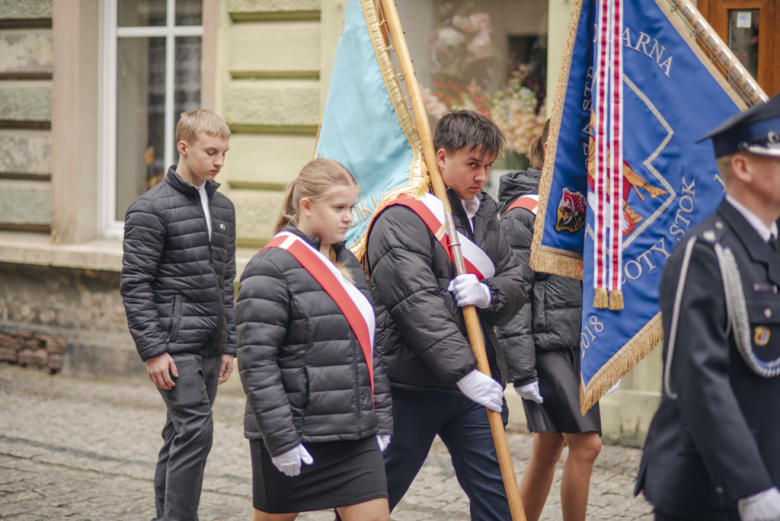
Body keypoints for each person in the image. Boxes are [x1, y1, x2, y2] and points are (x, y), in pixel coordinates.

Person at [366, 110, 527, 520]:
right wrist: (465, 372)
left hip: (470, 388)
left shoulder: (486, 213)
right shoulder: (402, 216)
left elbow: (515, 280)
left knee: (499, 497)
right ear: (441, 157)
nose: (482, 176)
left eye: (487, 166)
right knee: (372, 497)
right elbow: (416, 304)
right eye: (472, 164)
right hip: (410, 384)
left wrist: (488, 295)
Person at [635, 93, 780, 521]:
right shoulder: (706, 251)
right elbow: (697, 377)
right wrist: (750, 486)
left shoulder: (771, 247)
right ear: (743, 166)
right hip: (711, 489)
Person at [236, 158, 394, 521]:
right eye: (339, 208)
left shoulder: (348, 263)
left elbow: (369, 351)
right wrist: (282, 440)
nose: (350, 218)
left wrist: (381, 419)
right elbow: (258, 364)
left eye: (352, 207)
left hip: (353, 436)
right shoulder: (270, 267)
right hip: (296, 435)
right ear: (306, 206)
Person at [120, 109, 235, 521]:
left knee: (180, 434)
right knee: (196, 431)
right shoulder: (149, 209)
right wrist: (153, 351)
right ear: (183, 148)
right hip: (173, 346)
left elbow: (227, 279)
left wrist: (228, 345)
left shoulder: (224, 208)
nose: (219, 161)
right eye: (210, 152)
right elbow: (135, 285)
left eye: (223, 152)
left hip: (209, 345)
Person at [496, 119, 602, 521]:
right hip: (544, 346)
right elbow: (513, 296)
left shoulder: (582, 205)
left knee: (550, 447)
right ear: (546, 149)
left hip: (575, 342)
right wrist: (522, 370)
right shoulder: (525, 213)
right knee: (587, 445)